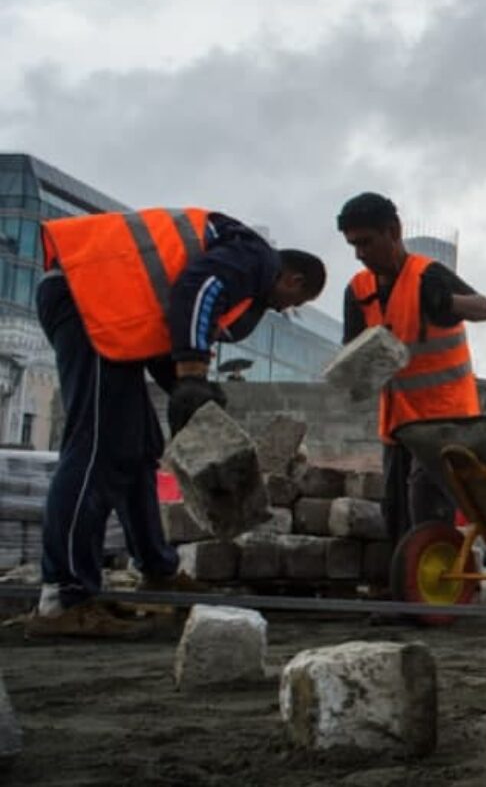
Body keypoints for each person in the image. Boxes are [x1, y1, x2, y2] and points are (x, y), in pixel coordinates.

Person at [28, 209, 326, 638]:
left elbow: (161, 326)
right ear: (293, 280)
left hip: (103, 304)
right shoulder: (258, 259)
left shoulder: (231, 256)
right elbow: (200, 290)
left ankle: (157, 569)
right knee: (97, 447)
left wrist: (190, 390)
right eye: (292, 304)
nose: (283, 309)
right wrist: (190, 373)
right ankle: (63, 597)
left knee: (137, 446)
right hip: (87, 298)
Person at [338, 192, 486, 542]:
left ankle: (439, 587)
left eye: (366, 242)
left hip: (445, 422)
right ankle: (404, 587)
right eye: (353, 245)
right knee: (396, 515)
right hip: (397, 425)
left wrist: (446, 301)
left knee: (426, 507)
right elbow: (353, 360)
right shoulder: (358, 290)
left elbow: (485, 309)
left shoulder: (427, 276)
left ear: (393, 231)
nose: (360, 254)